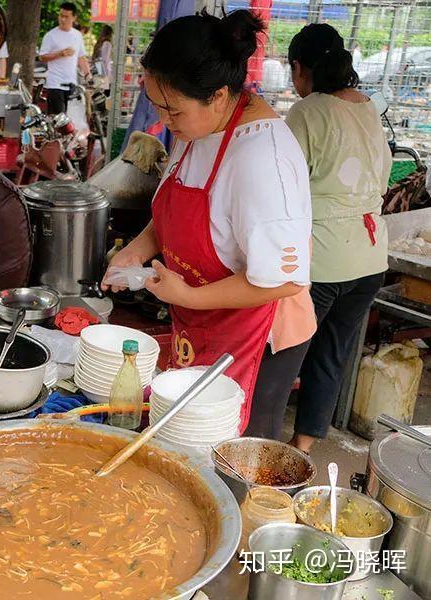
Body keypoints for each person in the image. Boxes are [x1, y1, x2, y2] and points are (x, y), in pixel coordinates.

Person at [104, 10, 315, 434]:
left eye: (173, 110)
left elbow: (284, 280)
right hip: (201, 320)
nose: (164, 120)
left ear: (218, 96)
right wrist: (138, 249)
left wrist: (189, 295)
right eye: (158, 106)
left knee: (231, 456)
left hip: (260, 335)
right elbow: (173, 216)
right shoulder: (197, 129)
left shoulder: (262, 159)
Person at [284, 24, 391, 454]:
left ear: (299, 67)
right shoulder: (369, 108)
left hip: (321, 259)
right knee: (331, 354)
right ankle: (302, 448)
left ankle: (258, 446)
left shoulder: (307, 111)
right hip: (369, 258)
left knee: (286, 353)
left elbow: (285, 185)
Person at [38, 2, 91, 115]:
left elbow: (81, 57)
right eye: (61, 15)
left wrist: (87, 74)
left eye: (66, 16)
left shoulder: (77, 35)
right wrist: (60, 54)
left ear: (74, 18)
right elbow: (42, 57)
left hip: (71, 83)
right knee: (58, 120)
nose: (62, 19)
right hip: (55, 84)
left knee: (71, 120)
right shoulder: (51, 35)